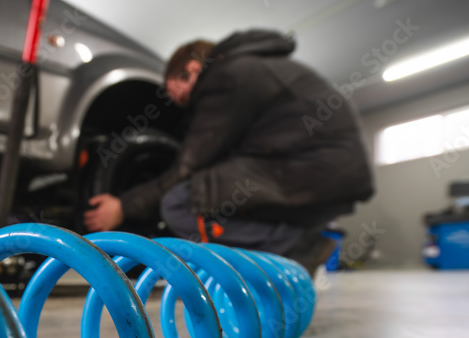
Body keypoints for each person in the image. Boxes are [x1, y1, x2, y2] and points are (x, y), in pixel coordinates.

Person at [83, 29, 374, 273]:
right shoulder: (252, 67)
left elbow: (189, 167)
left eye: (175, 90)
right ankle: (289, 248)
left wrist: (124, 206)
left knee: (179, 203)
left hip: (309, 171)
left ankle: (298, 246)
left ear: (193, 70)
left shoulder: (226, 76)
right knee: (213, 191)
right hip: (329, 177)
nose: (179, 102)